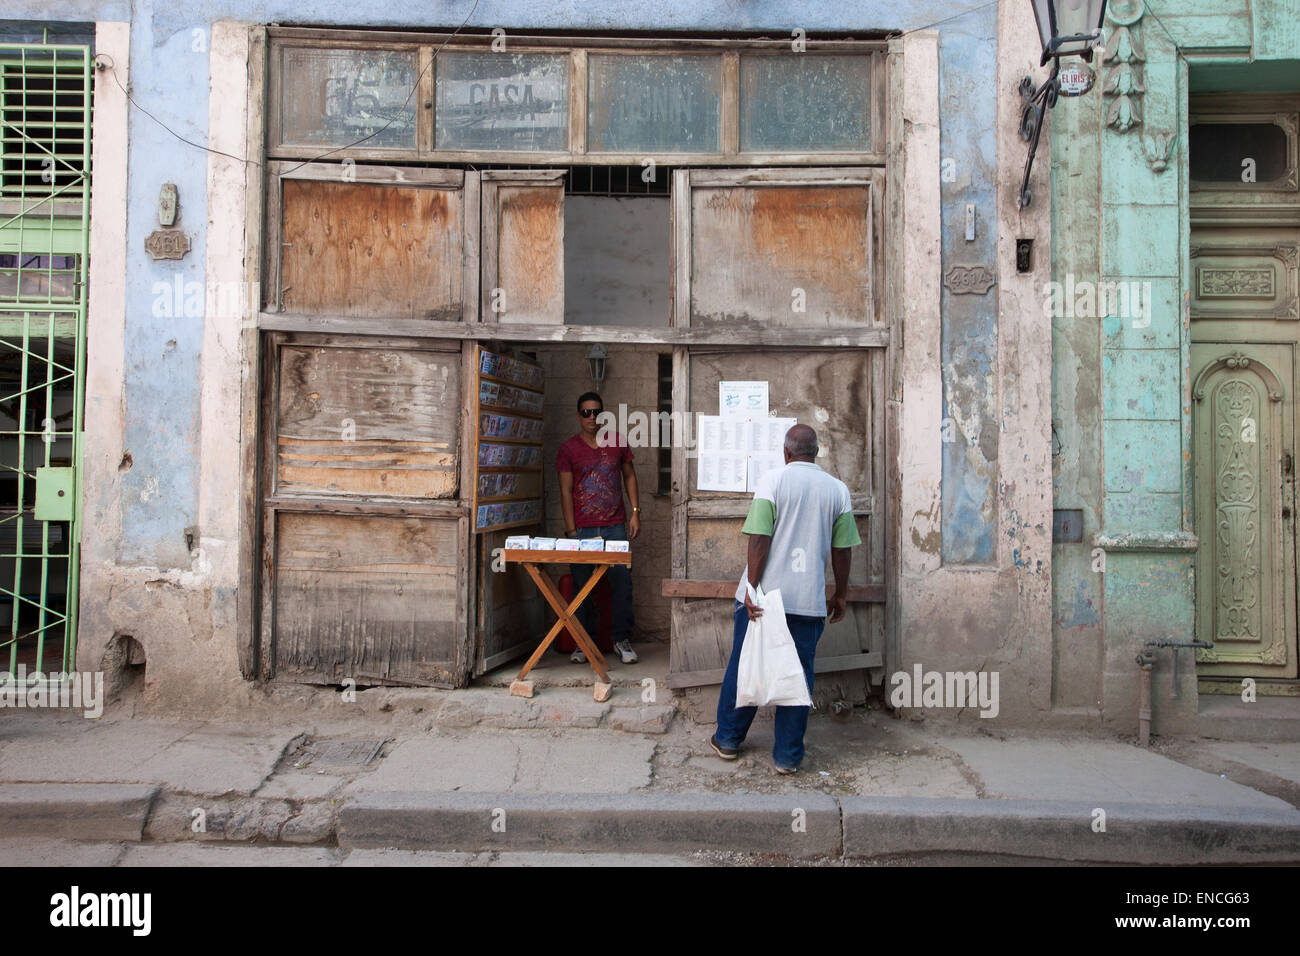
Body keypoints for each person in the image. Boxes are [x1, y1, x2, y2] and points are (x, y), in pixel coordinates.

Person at [711, 424, 859, 774]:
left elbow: (759, 539)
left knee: (746, 667)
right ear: (816, 452)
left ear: (787, 453)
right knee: (798, 677)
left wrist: (751, 587)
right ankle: (787, 758)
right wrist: (840, 593)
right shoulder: (838, 491)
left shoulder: (773, 481)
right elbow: (842, 550)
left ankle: (729, 740)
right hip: (807, 602)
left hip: (763, 599)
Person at [556, 391, 640, 665]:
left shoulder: (617, 443)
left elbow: (629, 476)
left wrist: (635, 513)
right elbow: (566, 491)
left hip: (615, 526)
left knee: (621, 584)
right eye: (586, 412)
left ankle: (621, 640)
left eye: (596, 412)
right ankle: (582, 642)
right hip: (582, 530)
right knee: (582, 587)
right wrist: (571, 531)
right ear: (578, 415)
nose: (592, 417)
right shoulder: (568, 449)